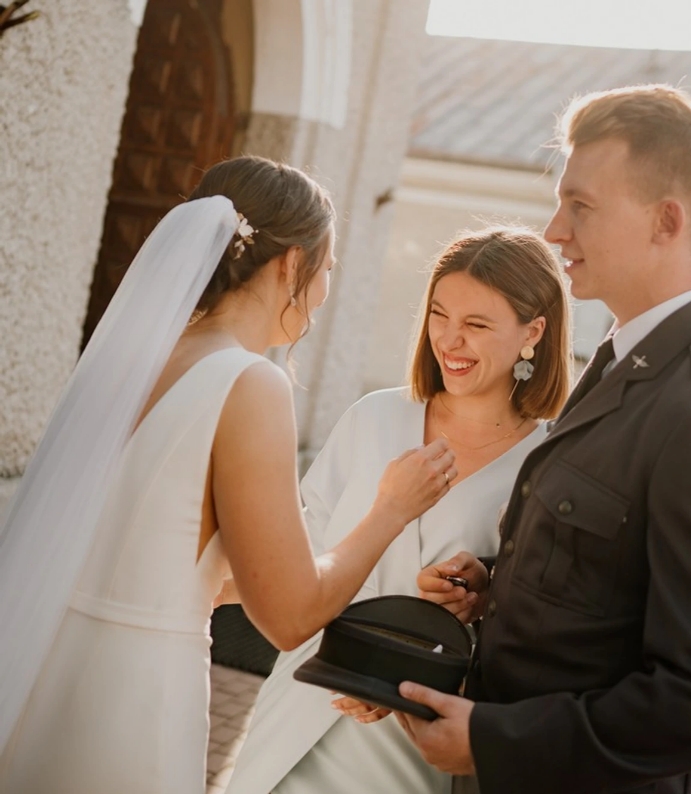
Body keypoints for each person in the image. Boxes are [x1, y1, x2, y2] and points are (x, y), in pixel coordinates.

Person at [393, 85, 691, 794]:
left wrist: (497, 739)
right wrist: (501, 583)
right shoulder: (627, 355)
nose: (555, 231)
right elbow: (617, 570)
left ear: (666, 221)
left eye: (581, 206)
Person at [0, 156, 456, 794]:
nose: (325, 290)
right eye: (327, 268)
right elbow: (289, 616)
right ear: (291, 264)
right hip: (136, 698)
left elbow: (170, 557)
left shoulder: (134, 360)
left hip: (51, 670)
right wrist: (391, 508)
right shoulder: (250, 383)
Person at [224, 227, 572, 794]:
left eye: (477, 324)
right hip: (302, 709)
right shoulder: (374, 417)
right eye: (439, 315)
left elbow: (545, 624)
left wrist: (480, 596)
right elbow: (300, 556)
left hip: (416, 740)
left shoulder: (552, 463)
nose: (450, 340)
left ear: (533, 332)